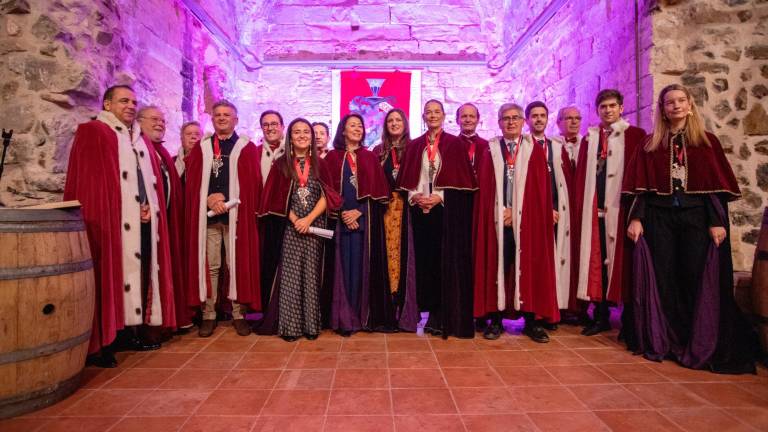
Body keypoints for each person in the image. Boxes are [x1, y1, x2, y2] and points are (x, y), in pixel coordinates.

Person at [624, 83, 756, 374]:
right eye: (670, 102)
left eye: (681, 101)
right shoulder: (650, 143)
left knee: (695, 277)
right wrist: (636, 219)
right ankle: (668, 339)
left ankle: (698, 340)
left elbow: (713, 188)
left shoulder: (706, 141)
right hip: (659, 219)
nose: (676, 106)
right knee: (665, 278)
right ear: (663, 109)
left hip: (696, 219)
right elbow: (642, 189)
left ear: (690, 105)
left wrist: (716, 221)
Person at [64, 85, 176, 367]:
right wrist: (119, 210)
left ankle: (129, 330)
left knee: (137, 275)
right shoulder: (95, 132)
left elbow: (144, 181)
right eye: (123, 100)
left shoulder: (138, 140)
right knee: (109, 276)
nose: (130, 105)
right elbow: (93, 184)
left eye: (133, 101)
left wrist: (148, 205)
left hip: (140, 220)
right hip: (108, 223)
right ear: (107, 103)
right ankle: (103, 342)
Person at [474, 103, 559, 342]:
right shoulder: (490, 151)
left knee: (530, 268)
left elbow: (539, 192)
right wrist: (503, 211)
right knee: (497, 266)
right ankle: (496, 320)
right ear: (499, 122)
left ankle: (532, 321)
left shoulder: (534, 151)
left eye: (515, 118)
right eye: (505, 118)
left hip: (528, 223)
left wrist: (518, 212)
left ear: (523, 122)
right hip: (497, 220)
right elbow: (486, 189)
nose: (510, 122)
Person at [396, 99, 477, 338]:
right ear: (423, 117)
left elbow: (461, 179)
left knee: (443, 262)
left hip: (445, 212)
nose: (432, 116)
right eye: (428, 112)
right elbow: (409, 177)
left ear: (443, 115)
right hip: (418, 211)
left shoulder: (454, 144)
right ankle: (426, 310)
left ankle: (441, 315)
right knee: (424, 264)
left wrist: (439, 197)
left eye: (436, 112)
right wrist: (415, 196)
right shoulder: (414, 145)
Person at [258, 118, 341, 341]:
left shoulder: (321, 164)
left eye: (306, 132)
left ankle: (311, 325)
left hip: (316, 227)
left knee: (312, 276)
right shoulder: (281, 165)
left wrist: (309, 219)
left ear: (312, 137)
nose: (302, 135)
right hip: (290, 229)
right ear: (290, 136)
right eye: (297, 132)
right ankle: (291, 327)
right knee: (291, 277)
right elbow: (275, 199)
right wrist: (296, 221)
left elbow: (327, 196)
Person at [184, 100, 261, 338]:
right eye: (217, 115)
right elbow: (193, 182)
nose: (222, 118)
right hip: (208, 217)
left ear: (235, 119)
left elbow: (252, 185)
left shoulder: (245, 148)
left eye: (227, 115)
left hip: (236, 217)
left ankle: (239, 314)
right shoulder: (203, 147)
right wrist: (209, 199)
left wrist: (225, 199)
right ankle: (209, 314)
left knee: (235, 265)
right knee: (212, 265)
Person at [572, 89, 645, 338]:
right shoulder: (590, 139)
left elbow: (639, 177)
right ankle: (600, 315)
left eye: (612, 106)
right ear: (597, 110)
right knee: (596, 265)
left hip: (622, 211)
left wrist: (635, 213)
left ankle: (629, 320)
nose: (608, 110)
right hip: (595, 211)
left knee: (624, 265)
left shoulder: (635, 136)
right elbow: (583, 175)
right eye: (603, 107)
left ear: (621, 108)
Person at [325, 114, 393, 335]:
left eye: (360, 126)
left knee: (361, 271)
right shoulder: (332, 158)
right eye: (352, 126)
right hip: (340, 223)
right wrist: (344, 213)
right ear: (342, 130)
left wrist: (359, 212)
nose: (357, 129)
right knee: (343, 271)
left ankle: (362, 316)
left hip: (365, 222)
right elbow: (325, 192)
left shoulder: (369, 157)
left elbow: (380, 194)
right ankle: (344, 317)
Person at [138, 106, 192, 333]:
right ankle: (145, 326)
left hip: (164, 222)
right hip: (145, 223)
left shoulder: (159, 152)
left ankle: (162, 320)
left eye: (162, 120)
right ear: (139, 122)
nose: (160, 123)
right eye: (154, 119)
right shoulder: (140, 149)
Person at [372, 108, 420, 332]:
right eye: (390, 120)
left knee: (405, 260)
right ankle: (388, 310)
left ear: (405, 123)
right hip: (384, 211)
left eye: (398, 119)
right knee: (386, 260)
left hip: (408, 211)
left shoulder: (415, 147)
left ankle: (405, 311)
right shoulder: (377, 151)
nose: (394, 123)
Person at [525, 101, 572, 327]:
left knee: (553, 263)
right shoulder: (523, 145)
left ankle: (550, 310)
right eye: (534, 116)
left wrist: (555, 207)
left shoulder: (556, 145)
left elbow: (560, 181)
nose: (538, 119)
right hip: (534, 214)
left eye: (542, 115)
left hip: (555, 211)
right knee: (536, 263)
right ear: (527, 120)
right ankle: (536, 312)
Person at [553, 106, 584, 324]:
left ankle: (580, 307)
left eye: (577, 118)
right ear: (558, 122)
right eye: (568, 119)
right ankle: (558, 305)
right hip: (559, 210)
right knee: (559, 256)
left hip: (581, 210)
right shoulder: (553, 146)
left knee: (580, 255)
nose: (573, 122)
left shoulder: (589, 146)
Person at [257, 110, 287, 312]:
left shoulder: (292, 152)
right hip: (263, 218)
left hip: (288, 217)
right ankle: (267, 307)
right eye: (266, 124)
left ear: (283, 127)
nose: (270, 128)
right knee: (265, 262)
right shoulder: (254, 153)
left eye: (274, 124)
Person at [456, 103, 488, 172]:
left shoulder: (487, 146)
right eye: (464, 116)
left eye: (472, 116)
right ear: (457, 120)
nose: (468, 120)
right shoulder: (451, 145)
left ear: (478, 120)